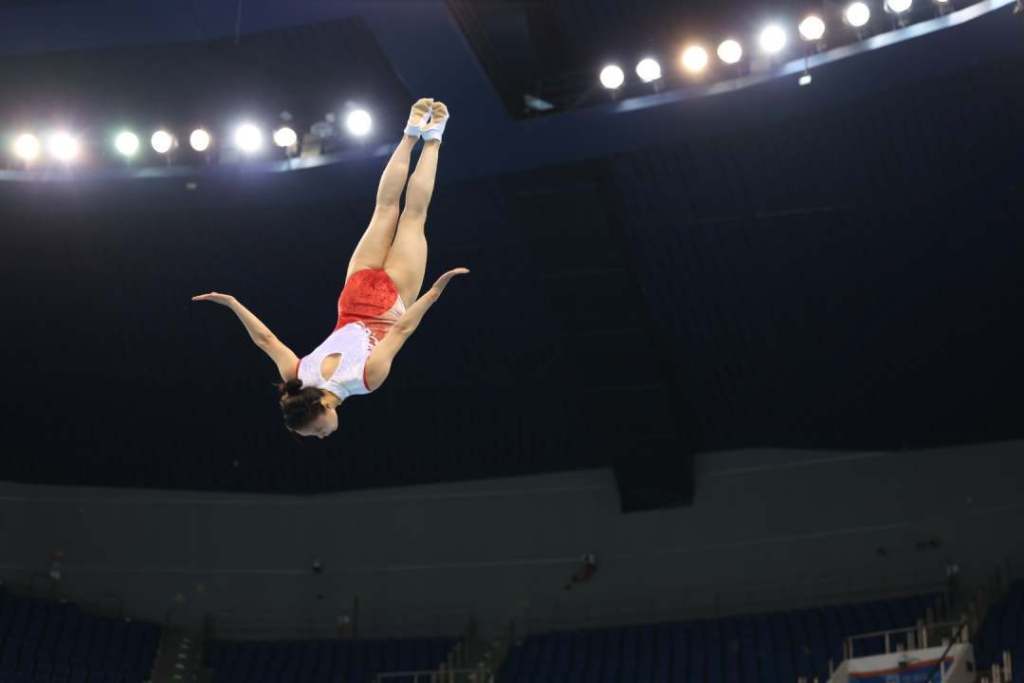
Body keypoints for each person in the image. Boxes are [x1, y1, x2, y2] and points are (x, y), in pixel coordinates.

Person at [193, 99, 468, 439]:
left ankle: (434, 136)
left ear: (322, 410)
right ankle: (411, 133)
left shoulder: (365, 381)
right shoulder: (297, 376)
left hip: (392, 300)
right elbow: (266, 340)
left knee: (413, 216)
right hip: (353, 293)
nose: (322, 436)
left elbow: (401, 330)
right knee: (384, 209)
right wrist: (232, 303)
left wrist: (435, 292)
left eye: (316, 432)